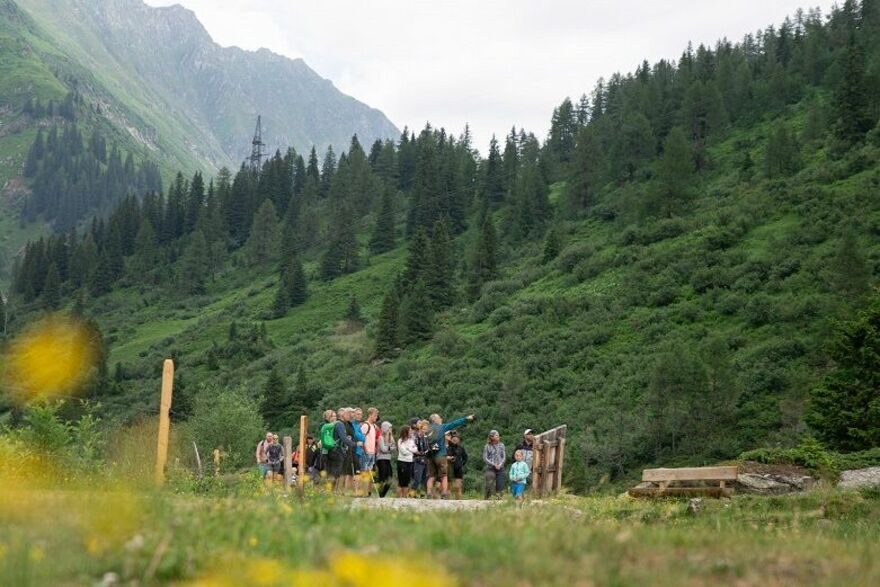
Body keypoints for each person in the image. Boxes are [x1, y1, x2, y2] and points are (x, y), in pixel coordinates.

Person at [426, 413, 475, 499]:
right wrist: (466, 419)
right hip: (441, 455)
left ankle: (429, 493)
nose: (441, 419)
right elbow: (454, 423)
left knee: (431, 476)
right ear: (435, 419)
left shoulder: (427, 429)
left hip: (431, 456)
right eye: (439, 418)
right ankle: (444, 494)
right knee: (444, 476)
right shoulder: (441, 427)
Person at [334, 407, 360, 493]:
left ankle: (340, 491)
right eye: (348, 414)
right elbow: (344, 438)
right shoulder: (340, 424)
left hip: (344, 449)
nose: (350, 415)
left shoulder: (346, 423)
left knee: (343, 471)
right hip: (340, 449)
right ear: (342, 414)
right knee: (341, 472)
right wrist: (354, 444)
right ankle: (338, 491)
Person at [360, 407, 380, 494]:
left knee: (370, 473)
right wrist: (365, 449)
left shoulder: (373, 426)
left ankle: (367, 491)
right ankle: (362, 491)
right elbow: (361, 438)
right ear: (370, 415)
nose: (376, 417)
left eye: (376, 415)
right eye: (375, 415)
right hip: (366, 452)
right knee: (364, 472)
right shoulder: (365, 425)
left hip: (372, 452)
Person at [483, 430, 506, 499]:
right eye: (496, 435)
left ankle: (499, 498)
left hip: (500, 467)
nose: (498, 436)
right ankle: (487, 497)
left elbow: (504, 457)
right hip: (490, 468)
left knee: (500, 484)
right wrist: (493, 464)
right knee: (489, 482)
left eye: (498, 435)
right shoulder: (487, 446)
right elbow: (485, 458)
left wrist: (500, 464)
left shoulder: (502, 445)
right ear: (492, 437)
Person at [320, 410, 342, 484]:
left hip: (333, 450)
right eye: (332, 416)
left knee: (334, 471)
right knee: (328, 471)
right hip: (326, 451)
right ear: (327, 417)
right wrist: (338, 423)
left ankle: (331, 486)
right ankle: (327, 486)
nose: (335, 418)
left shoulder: (334, 425)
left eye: (335, 416)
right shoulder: (324, 425)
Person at [376, 421, 396, 498]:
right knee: (382, 478)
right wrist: (390, 448)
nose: (391, 429)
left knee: (390, 478)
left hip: (388, 459)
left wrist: (389, 447)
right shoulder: (381, 437)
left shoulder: (391, 438)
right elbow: (383, 449)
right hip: (381, 459)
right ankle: (380, 494)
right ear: (385, 428)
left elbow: (394, 448)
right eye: (389, 428)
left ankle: (382, 495)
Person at [446, 430, 468, 500]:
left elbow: (465, 458)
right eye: (453, 438)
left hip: (458, 469)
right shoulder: (447, 447)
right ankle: (447, 502)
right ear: (451, 439)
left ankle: (459, 502)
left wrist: (461, 464)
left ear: (459, 439)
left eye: (456, 438)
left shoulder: (461, 448)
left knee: (458, 487)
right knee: (448, 487)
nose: (455, 439)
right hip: (449, 468)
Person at [396, 425, 417, 497]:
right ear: (406, 432)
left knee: (407, 480)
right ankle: (399, 497)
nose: (411, 432)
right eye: (410, 430)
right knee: (401, 481)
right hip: (402, 462)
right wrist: (411, 451)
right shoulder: (400, 441)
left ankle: (404, 497)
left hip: (410, 462)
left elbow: (415, 449)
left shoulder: (411, 441)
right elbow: (403, 452)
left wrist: (409, 449)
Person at [411, 420, 430, 497]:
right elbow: (413, 449)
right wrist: (420, 452)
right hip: (418, 460)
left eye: (426, 429)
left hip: (425, 460)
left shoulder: (426, 438)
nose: (424, 431)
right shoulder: (416, 437)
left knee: (425, 479)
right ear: (420, 428)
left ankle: (422, 495)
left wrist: (431, 449)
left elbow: (428, 448)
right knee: (417, 479)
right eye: (423, 429)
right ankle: (411, 494)